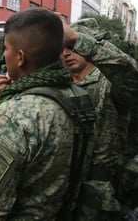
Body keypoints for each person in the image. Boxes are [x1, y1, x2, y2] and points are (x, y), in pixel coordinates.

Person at [0, 8, 92, 219]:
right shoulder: (79, 97)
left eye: (6, 48)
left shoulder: (16, 114)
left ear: (20, 57)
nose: (4, 55)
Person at [61, 47, 121, 219]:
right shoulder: (61, 85)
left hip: (100, 192)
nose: (66, 54)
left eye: (73, 48)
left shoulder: (109, 83)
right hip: (65, 187)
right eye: (63, 49)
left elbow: (129, 73)